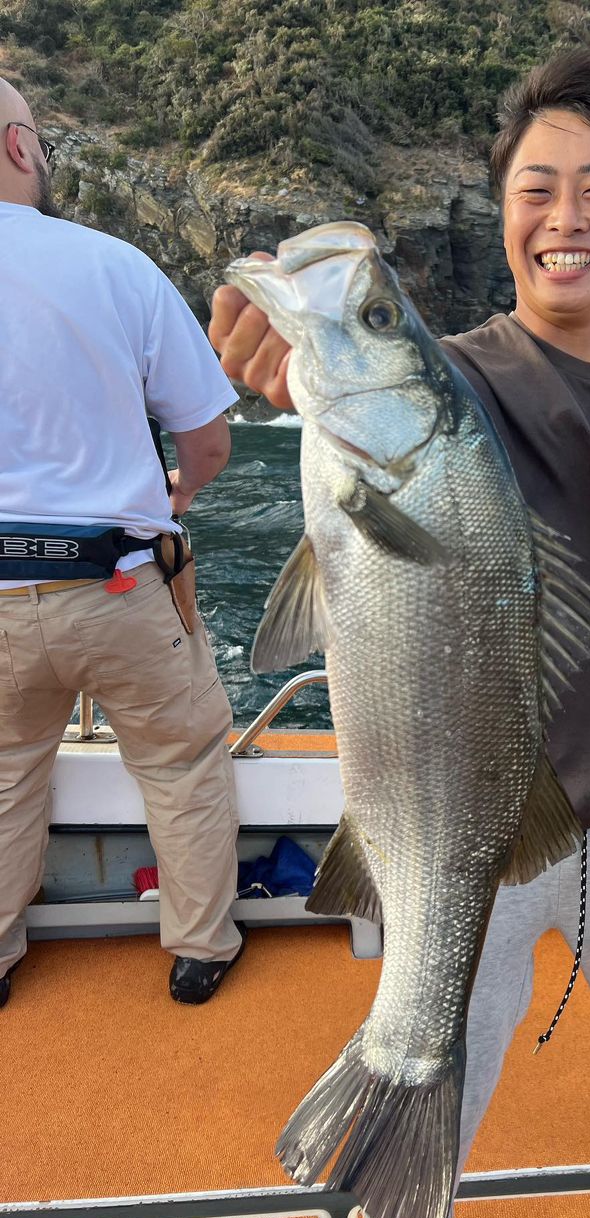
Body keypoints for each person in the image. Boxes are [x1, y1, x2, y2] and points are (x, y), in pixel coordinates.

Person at [209, 49, 590, 1218]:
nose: (563, 218)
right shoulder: (450, 379)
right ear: (502, 207)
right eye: (534, 187)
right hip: (459, 799)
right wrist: (285, 351)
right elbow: (321, 378)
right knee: (429, 1040)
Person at [0, 77, 246, 1009]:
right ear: (23, 148)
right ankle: (199, 949)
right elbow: (209, 440)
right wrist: (178, 490)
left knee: (1, 775)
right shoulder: (115, 266)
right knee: (182, 762)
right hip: (116, 585)